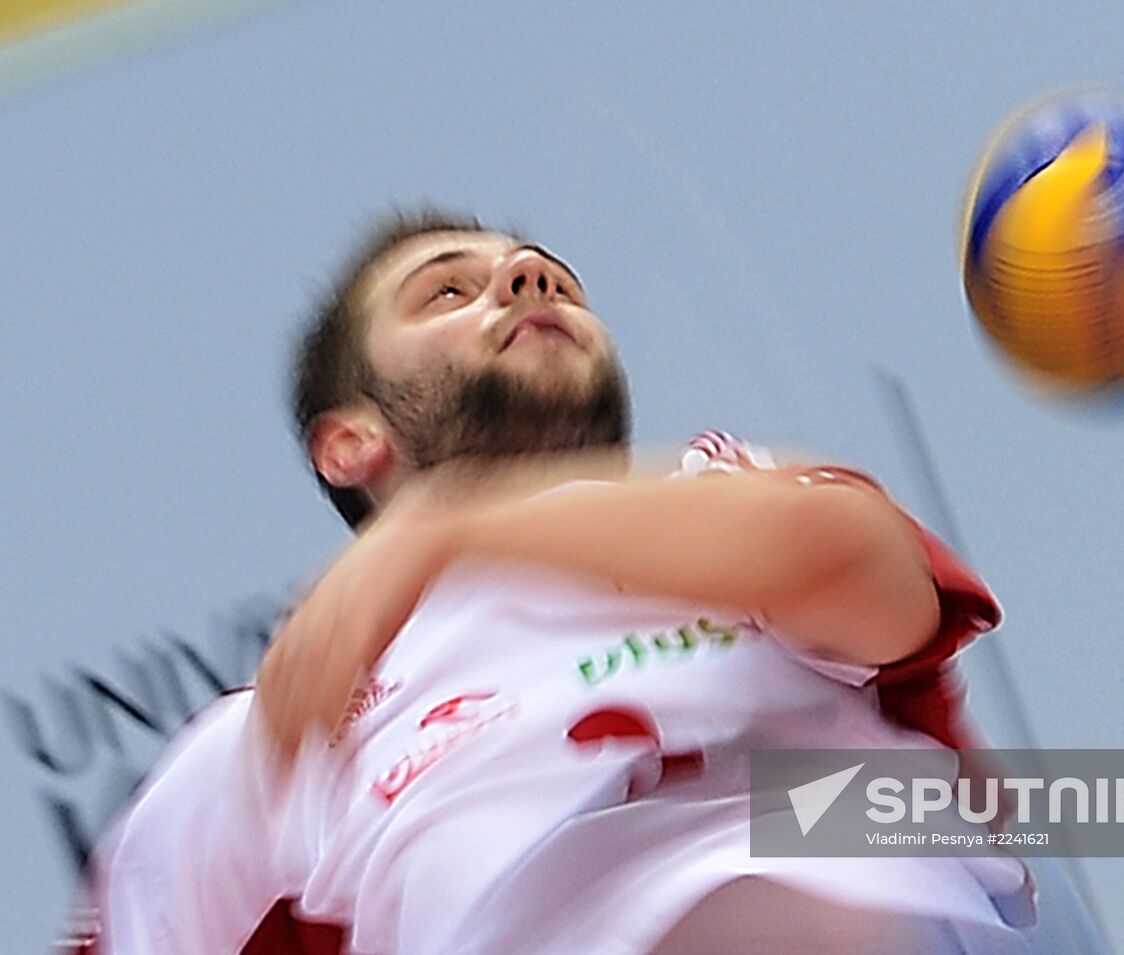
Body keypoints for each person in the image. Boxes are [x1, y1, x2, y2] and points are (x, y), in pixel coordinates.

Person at [88, 211, 1035, 953]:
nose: (529, 279)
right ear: (351, 442)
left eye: (550, 276)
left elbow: (852, 567)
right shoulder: (268, 734)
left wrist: (444, 525)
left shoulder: (720, 495)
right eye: (446, 293)